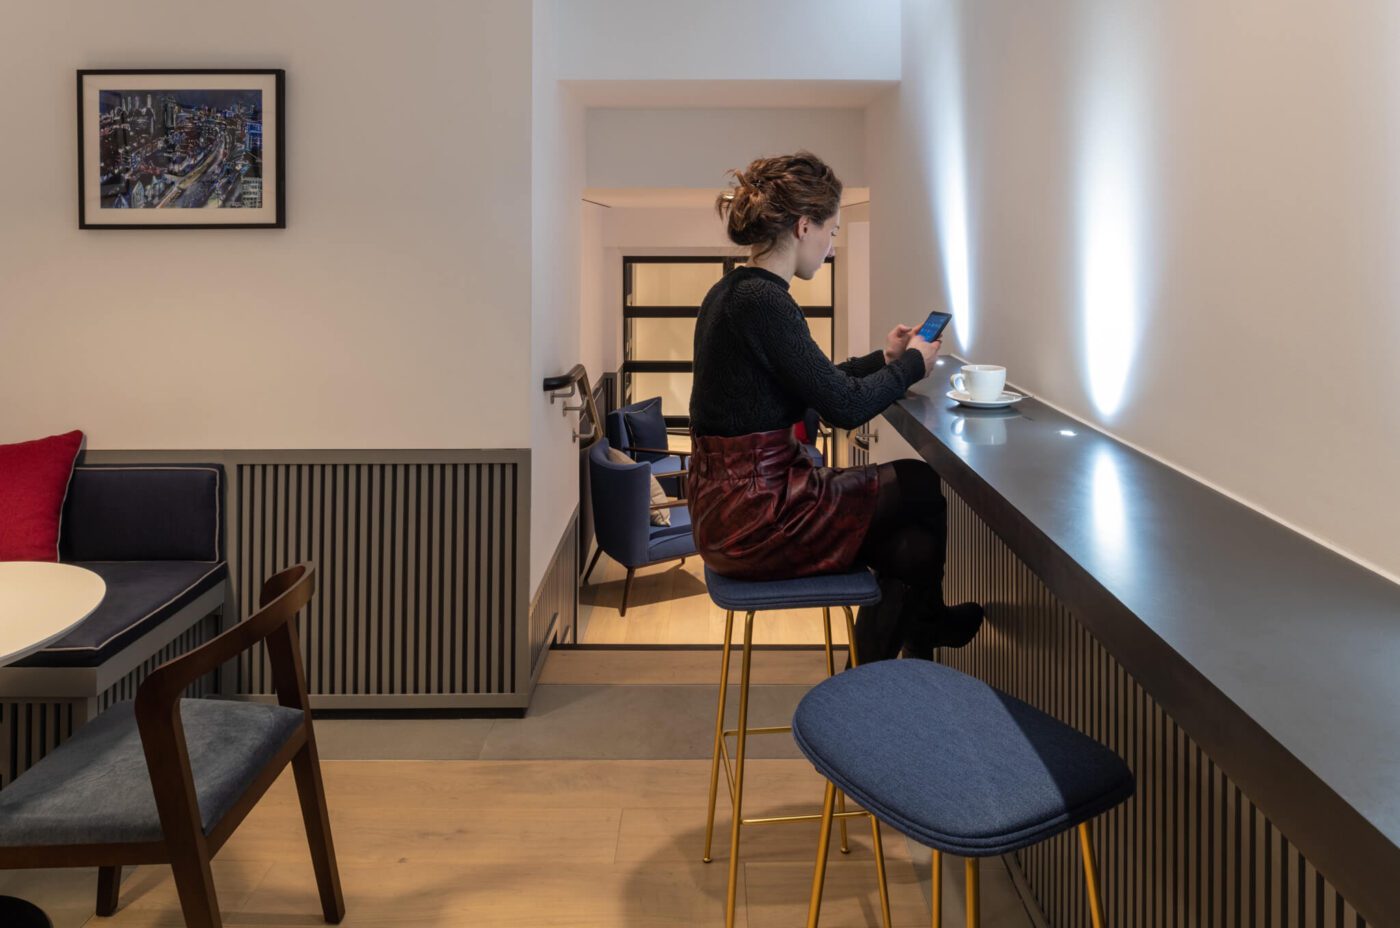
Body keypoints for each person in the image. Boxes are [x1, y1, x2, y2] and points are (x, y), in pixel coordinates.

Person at [687, 151, 983, 662]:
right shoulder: (763, 301)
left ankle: (864, 687)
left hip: (732, 509)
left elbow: (817, 383)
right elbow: (843, 408)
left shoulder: (734, 292)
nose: (832, 243)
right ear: (804, 226)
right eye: (833, 230)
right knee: (918, 483)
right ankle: (927, 624)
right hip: (758, 516)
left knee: (914, 550)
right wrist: (911, 366)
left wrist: (885, 358)